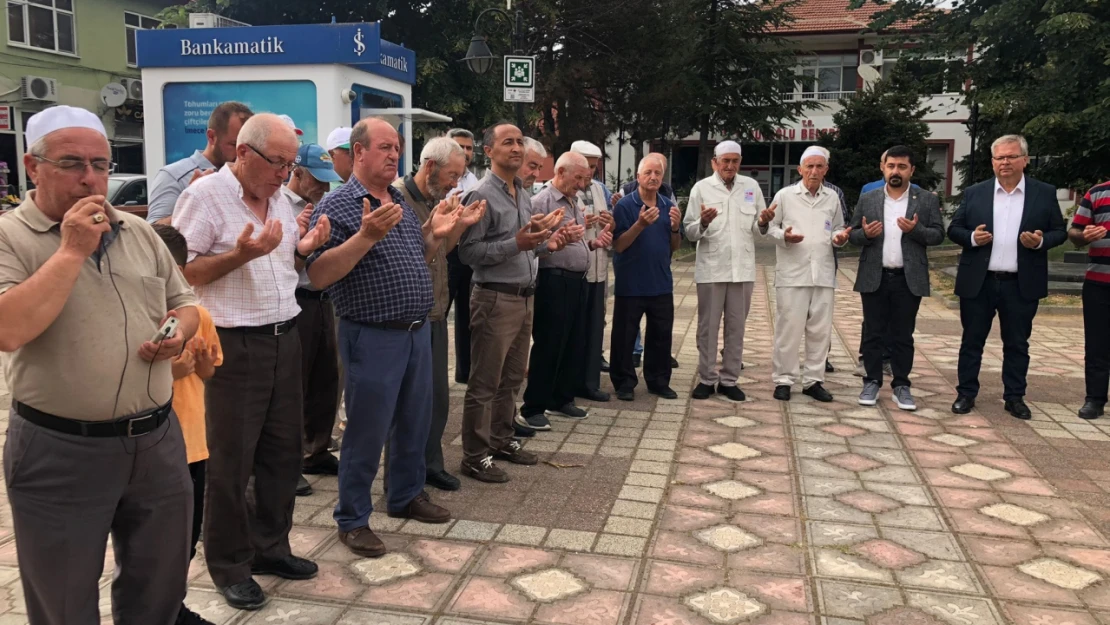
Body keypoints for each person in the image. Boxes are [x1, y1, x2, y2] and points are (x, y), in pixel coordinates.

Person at [0, 105, 199, 624]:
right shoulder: (9, 237)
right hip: (62, 449)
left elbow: (186, 304)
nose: (90, 178)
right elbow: (8, 329)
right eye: (71, 163)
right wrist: (70, 251)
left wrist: (175, 336)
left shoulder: (138, 232)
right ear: (32, 166)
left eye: (100, 164)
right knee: (63, 600)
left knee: (159, 587)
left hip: (155, 441)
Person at [173, 113, 331, 610]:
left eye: (289, 165)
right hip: (233, 345)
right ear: (243, 153)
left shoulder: (280, 198)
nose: (285, 175)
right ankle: (229, 564)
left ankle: (270, 547)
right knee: (231, 461)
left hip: (285, 336)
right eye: (277, 163)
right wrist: (239, 256)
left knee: (282, 454)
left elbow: (280, 267)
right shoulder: (204, 196)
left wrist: (304, 249)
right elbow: (180, 272)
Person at [307, 118, 472, 557]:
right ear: (358, 152)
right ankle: (353, 518)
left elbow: (415, 255)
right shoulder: (340, 205)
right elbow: (319, 274)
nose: (393, 154)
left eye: (396, 147)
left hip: (415, 331)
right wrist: (365, 235)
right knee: (366, 430)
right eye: (384, 147)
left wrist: (434, 235)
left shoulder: (394, 197)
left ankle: (404, 495)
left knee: (414, 423)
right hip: (372, 335)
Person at [457, 121, 571, 482]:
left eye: (520, 142)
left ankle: (501, 438)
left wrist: (547, 243)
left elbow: (524, 242)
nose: (517, 148)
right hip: (494, 299)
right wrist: (518, 245)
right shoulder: (481, 195)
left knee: (510, 380)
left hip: (524, 299)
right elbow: (468, 252)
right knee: (485, 383)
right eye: (508, 142)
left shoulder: (520, 191)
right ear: (488, 151)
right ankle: (474, 456)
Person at [948, 135, 1067, 418]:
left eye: (1011, 156)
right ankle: (966, 393)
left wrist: (1039, 242)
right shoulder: (976, 192)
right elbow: (954, 228)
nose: (1005, 162)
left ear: (1025, 159)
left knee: (1017, 343)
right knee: (972, 340)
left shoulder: (1043, 192)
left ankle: (1014, 397)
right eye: (999, 157)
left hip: (1020, 283)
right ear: (992, 162)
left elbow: (1059, 231)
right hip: (980, 281)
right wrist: (973, 238)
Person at [392, 136, 479, 491]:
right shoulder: (399, 200)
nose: (455, 183)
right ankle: (405, 478)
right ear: (430, 167)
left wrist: (460, 224)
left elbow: (440, 251)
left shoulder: (432, 199)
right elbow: (412, 259)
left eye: (459, 176)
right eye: (452, 175)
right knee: (408, 403)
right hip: (408, 317)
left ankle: (429, 464)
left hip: (435, 311)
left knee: (436, 398)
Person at [154, 224, 223, 625]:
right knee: (154, 538)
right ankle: (157, 608)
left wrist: (196, 364)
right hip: (155, 446)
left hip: (193, 446)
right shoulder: (136, 319)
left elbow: (211, 371)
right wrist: (173, 370)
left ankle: (174, 606)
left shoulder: (197, 317)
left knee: (186, 536)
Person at [518, 152, 609, 430]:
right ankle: (533, 406)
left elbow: (574, 241)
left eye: (585, 178)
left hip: (577, 280)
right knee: (549, 344)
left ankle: (561, 398)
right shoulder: (542, 201)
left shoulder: (574, 200)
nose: (582, 184)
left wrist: (591, 246)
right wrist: (555, 243)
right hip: (553, 281)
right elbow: (532, 247)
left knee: (573, 342)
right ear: (560, 172)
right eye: (578, 177)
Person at [848, 145, 944, 411]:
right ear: (883, 167)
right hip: (875, 276)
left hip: (907, 278)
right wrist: (865, 234)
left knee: (903, 335)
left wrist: (916, 230)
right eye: (891, 166)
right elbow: (853, 234)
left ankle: (901, 385)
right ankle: (871, 381)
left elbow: (938, 235)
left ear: (911, 170)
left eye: (902, 166)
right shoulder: (869, 199)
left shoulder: (925, 200)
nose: (895, 171)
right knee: (873, 333)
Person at [760, 146, 851, 403]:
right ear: (799, 170)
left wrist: (840, 238)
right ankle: (784, 380)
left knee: (820, 331)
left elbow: (837, 229)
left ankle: (813, 380)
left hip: (822, 273)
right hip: (792, 273)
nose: (813, 171)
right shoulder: (786, 195)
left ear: (826, 170)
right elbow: (769, 228)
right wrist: (783, 236)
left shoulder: (832, 198)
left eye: (819, 166)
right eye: (809, 166)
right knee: (788, 330)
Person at [281, 144, 343, 497]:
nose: (323, 188)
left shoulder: (322, 206)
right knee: (296, 385)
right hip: (296, 300)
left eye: (328, 182)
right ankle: (290, 461)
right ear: (298, 173)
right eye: (318, 181)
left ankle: (316, 450)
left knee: (326, 379)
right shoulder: (281, 207)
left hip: (324, 299)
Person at [684, 140, 764, 402]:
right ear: (714, 162)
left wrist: (763, 223)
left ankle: (729, 380)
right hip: (711, 270)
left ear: (740, 162)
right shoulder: (702, 188)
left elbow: (757, 226)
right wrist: (703, 223)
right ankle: (707, 378)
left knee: (736, 327)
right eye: (725, 161)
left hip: (742, 270)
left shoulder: (750, 187)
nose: (730, 166)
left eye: (735, 161)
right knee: (708, 327)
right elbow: (689, 231)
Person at [610, 155, 682, 401]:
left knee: (661, 336)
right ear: (638, 177)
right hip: (631, 283)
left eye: (658, 174)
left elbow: (674, 246)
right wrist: (639, 224)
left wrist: (674, 228)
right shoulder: (625, 206)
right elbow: (618, 245)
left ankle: (658, 381)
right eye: (648, 172)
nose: (653, 177)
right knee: (625, 336)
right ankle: (624, 382)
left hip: (661, 283)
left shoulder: (667, 206)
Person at [147, 101, 253, 224]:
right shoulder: (174, 176)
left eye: (247, 148)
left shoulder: (248, 176)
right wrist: (191, 201)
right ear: (211, 136)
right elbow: (153, 233)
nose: (240, 154)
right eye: (233, 145)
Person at [569, 140, 614, 402]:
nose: (590, 175)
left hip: (598, 270)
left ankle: (590, 383)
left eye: (594, 169)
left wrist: (610, 222)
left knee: (596, 328)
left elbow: (612, 226)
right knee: (575, 330)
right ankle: (570, 384)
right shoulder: (561, 190)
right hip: (574, 271)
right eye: (587, 168)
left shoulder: (600, 190)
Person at [1070, 181, 1110, 419]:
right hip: (1099, 282)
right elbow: (1074, 233)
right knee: (1097, 344)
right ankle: (1095, 399)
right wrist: (1084, 235)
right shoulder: (1097, 193)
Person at [447, 128, 478, 383]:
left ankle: (465, 371)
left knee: (468, 315)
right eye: (460, 146)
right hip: (445, 252)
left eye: (469, 148)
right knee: (439, 310)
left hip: (468, 252)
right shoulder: (441, 177)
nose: (465, 152)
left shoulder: (475, 182)